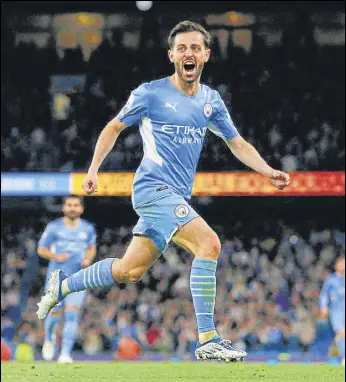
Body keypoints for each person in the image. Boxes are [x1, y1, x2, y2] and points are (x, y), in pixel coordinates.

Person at [37, 20, 290, 362]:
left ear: (206, 55)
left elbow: (237, 142)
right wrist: (93, 170)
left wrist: (267, 170)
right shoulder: (151, 93)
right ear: (172, 55)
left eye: (195, 48)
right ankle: (208, 337)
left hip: (174, 197)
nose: (189, 53)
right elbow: (114, 127)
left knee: (129, 270)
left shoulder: (211, 101)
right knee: (209, 243)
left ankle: (62, 286)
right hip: (152, 189)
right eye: (182, 48)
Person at [37, 196, 96, 363]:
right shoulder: (54, 227)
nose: (72, 208)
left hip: (78, 277)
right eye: (69, 205)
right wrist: (56, 256)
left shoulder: (88, 228)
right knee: (54, 314)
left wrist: (88, 259)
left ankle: (65, 353)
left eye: (76, 205)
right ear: (64, 208)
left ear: (81, 209)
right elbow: (41, 249)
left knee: (72, 313)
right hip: (56, 278)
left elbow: (91, 248)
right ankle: (49, 338)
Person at [320, 257, 345, 365]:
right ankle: (344, 357)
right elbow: (324, 294)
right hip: (336, 311)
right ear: (336, 266)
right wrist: (324, 307)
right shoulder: (331, 279)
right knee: (341, 333)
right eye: (341, 263)